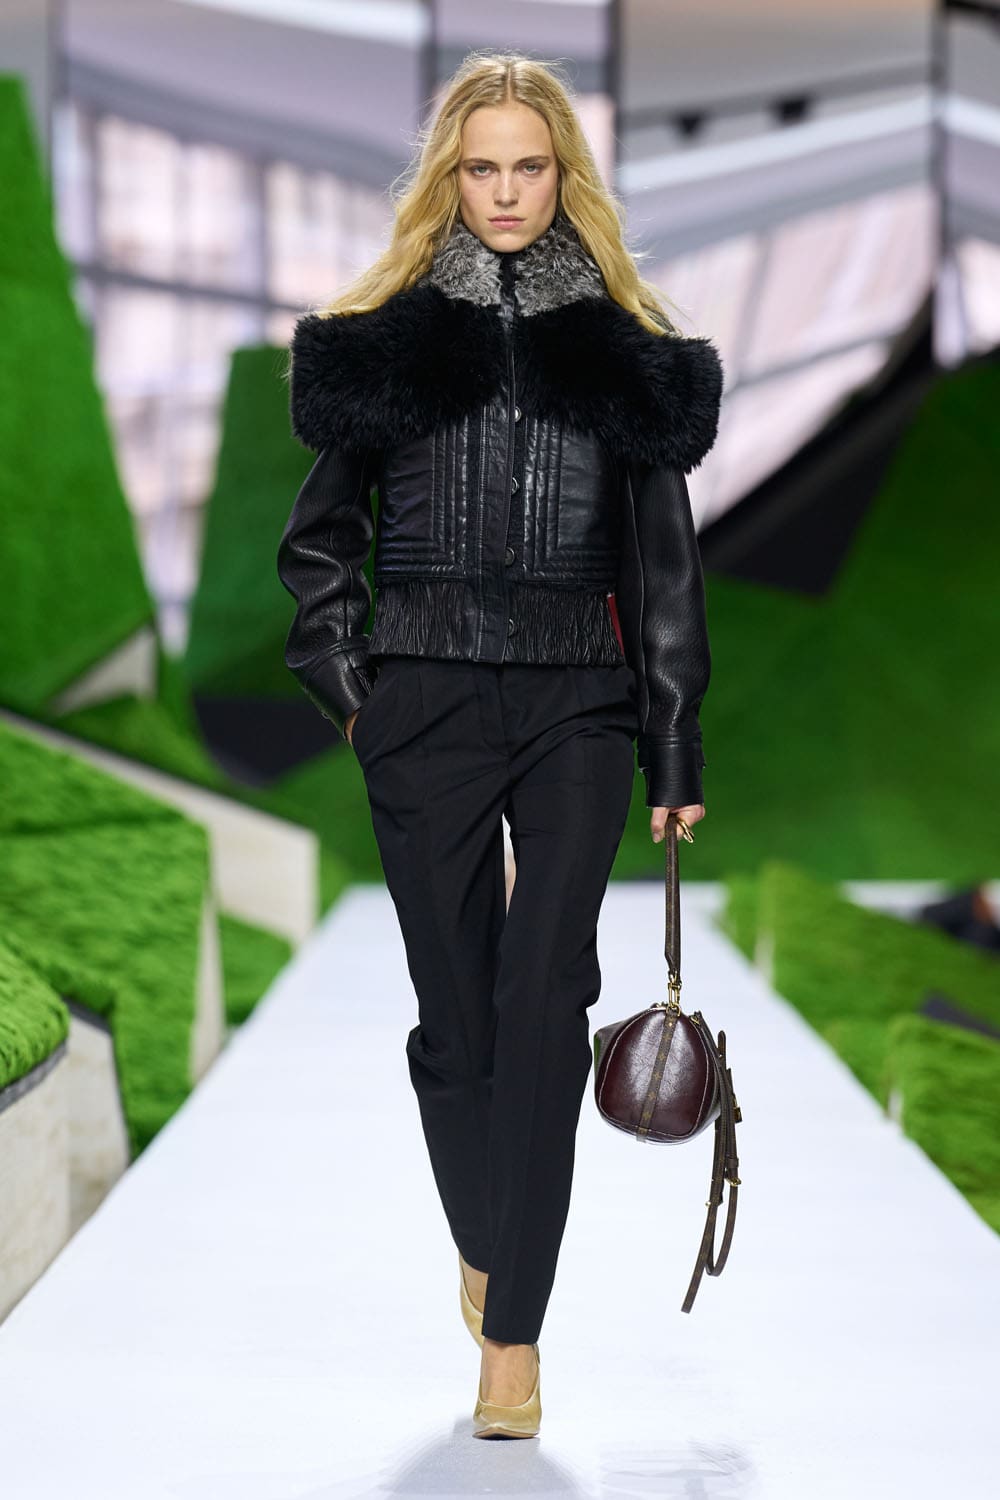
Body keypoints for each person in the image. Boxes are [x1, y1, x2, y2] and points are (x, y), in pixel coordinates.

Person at [276, 50, 723, 1440]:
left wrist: (672, 748)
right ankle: (490, 1241)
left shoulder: (627, 358)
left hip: (578, 707)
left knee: (544, 1001)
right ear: (450, 180)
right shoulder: (388, 344)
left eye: (531, 167)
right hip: (425, 708)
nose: (509, 192)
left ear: (565, 178)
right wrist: (358, 697)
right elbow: (316, 547)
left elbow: (663, 572)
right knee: (456, 1021)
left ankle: (512, 1338)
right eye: (484, 168)